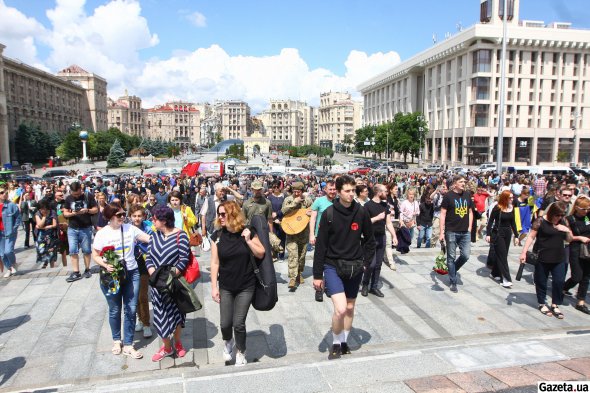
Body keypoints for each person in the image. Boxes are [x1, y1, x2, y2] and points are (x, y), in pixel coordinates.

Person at [313, 175, 376, 360]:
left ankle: (344, 341)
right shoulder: (329, 214)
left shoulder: (361, 212)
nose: (351, 194)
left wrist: (365, 263)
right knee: (340, 309)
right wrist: (318, 275)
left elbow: (370, 242)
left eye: (353, 191)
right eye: (347, 191)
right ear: (338, 192)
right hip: (332, 265)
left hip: (355, 266)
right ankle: (335, 343)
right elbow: (321, 247)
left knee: (349, 307)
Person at [210, 201, 265, 366]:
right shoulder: (217, 237)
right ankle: (228, 342)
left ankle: (241, 351)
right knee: (225, 323)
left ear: (233, 214)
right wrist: (214, 287)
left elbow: (261, 253)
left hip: (246, 285)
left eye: (223, 214)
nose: (220, 217)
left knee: (238, 323)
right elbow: (214, 263)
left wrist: (248, 240)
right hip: (226, 285)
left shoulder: (248, 232)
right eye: (219, 214)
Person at [92, 202, 150, 359]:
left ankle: (129, 344)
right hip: (112, 276)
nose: (123, 217)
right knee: (115, 309)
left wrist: (168, 235)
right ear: (110, 217)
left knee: (131, 308)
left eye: (124, 214)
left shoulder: (130, 228)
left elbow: (147, 238)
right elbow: (95, 255)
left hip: (132, 272)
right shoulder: (102, 234)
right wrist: (105, 264)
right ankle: (117, 340)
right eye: (120, 215)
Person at [520, 202, 589, 319]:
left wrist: (566, 230)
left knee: (559, 281)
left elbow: (570, 239)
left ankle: (555, 304)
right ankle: (542, 303)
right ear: (551, 213)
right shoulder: (541, 221)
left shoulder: (563, 221)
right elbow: (531, 236)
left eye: (561, 215)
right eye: (557, 215)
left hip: (559, 257)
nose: (559, 218)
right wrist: (524, 252)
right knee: (541, 281)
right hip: (543, 257)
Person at [146, 206, 190, 362]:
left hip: (173, 284)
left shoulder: (181, 236)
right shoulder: (153, 235)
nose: (152, 221)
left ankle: (178, 343)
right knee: (160, 316)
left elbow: (183, 260)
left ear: (164, 220)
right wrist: (155, 275)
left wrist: (169, 278)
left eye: (155, 219)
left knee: (177, 315)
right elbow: (149, 258)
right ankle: (166, 347)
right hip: (157, 286)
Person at [361, 184, 397, 297]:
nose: (387, 193)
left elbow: (388, 222)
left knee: (378, 264)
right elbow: (364, 223)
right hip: (370, 238)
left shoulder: (384, 205)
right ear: (378, 192)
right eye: (385, 191)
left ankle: (374, 287)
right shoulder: (367, 206)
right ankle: (365, 284)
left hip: (381, 237)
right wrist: (377, 218)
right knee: (370, 264)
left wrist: (394, 235)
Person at [439, 175, 473, 293]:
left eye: (464, 181)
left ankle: (452, 269)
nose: (464, 183)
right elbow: (442, 214)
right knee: (451, 257)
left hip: (465, 231)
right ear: (455, 183)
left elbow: (470, 212)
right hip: (451, 230)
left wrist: (469, 227)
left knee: (466, 255)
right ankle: (453, 280)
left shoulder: (467, 195)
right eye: (461, 182)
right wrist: (441, 232)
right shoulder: (448, 196)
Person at [63, 182, 98, 282]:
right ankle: (76, 272)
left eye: (78, 194)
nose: (77, 196)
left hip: (86, 227)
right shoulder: (69, 198)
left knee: (86, 250)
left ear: (81, 189)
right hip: (72, 227)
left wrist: (87, 210)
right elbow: (65, 212)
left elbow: (95, 209)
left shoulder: (88, 196)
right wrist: (72, 213)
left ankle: (87, 269)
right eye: (74, 194)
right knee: (73, 250)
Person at [281, 181, 313, 289]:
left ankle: (299, 273)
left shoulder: (307, 200)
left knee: (302, 255)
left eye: (298, 191)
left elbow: (313, 211)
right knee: (292, 254)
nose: (296, 193)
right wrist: (294, 202)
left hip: (304, 232)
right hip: (291, 232)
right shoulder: (288, 199)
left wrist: (310, 213)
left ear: (302, 191)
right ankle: (292, 278)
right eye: (294, 191)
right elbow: (283, 211)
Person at [129, 204, 154, 338]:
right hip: (131, 264)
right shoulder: (127, 230)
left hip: (145, 264)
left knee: (143, 295)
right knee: (134, 295)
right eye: (134, 216)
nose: (137, 218)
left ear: (143, 216)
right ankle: (140, 319)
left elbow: (153, 245)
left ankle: (146, 324)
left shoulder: (148, 230)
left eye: (139, 216)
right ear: (130, 217)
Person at [485, 190, 519, 287]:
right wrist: (488, 234)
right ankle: (506, 279)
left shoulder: (512, 208)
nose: (512, 199)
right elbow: (491, 221)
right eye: (510, 198)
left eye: (513, 197)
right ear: (505, 198)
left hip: (508, 233)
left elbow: (513, 223)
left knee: (502, 254)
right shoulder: (497, 208)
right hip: (498, 233)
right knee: (503, 256)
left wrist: (516, 236)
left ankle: (495, 272)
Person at [563, 196, 590, 314]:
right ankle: (564, 288)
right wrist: (579, 237)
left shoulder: (588, 216)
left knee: (586, 277)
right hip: (576, 249)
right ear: (577, 208)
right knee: (577, 276)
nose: (586, 211)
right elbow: (567, 238)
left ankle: (581, 302)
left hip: (589, 249)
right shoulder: (569, 219)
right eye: (584, 209)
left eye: (588, 208)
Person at [0, 187, 22, 277]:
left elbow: (18, 217)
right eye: (1, 192)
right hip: (0, 233)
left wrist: (14, 228)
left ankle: (13, 264)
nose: (4, 194)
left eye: (5, 192)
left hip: (9, 232)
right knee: (1, 254)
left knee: (8, 251)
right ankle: (9, 268)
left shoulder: (11, 205)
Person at [309, 180, 337, 246]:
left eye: (334, 189)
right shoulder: (319, 201)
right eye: (330, 189)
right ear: (325, 190)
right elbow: (313, 219)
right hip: (320, 234)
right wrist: (312, 235)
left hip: (336, 235)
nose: (332, 191)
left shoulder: (340, 201)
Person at [34, 199, 58, 268]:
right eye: (41, 208)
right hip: (41, 235)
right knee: (42, 250)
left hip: (51, 235)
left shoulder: (52, 212)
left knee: (51, 251)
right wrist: (44, 217)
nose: (42, 210)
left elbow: (54, 224)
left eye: (44, 208)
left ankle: (52, 266)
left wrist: (44, 227)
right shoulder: (37, 213)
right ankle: (45, 263)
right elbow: (39, 225)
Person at [268, 181, 286, 260]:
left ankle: (281, 255)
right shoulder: (269, 198)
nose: (275, 189)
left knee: (282, 239)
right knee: (274, 238)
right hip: (273, 221)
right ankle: (274, 255)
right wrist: (274, 219)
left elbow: (285, 209)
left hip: (282, 220)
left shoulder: (284, 197)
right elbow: (269, 210)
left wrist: (278, 215)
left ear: (280, 188)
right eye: (274, 187)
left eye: (277, 187)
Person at [430, 183, 448, 248]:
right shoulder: (437, 195)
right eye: (443, 188)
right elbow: (431, 197)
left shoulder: (448, 196)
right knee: (435, 232)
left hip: (446, 217)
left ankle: (444, 246)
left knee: (445, 233)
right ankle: (432, 245)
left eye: (446, 189)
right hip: (437, 216)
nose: (445, 190)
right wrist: (436, 191)